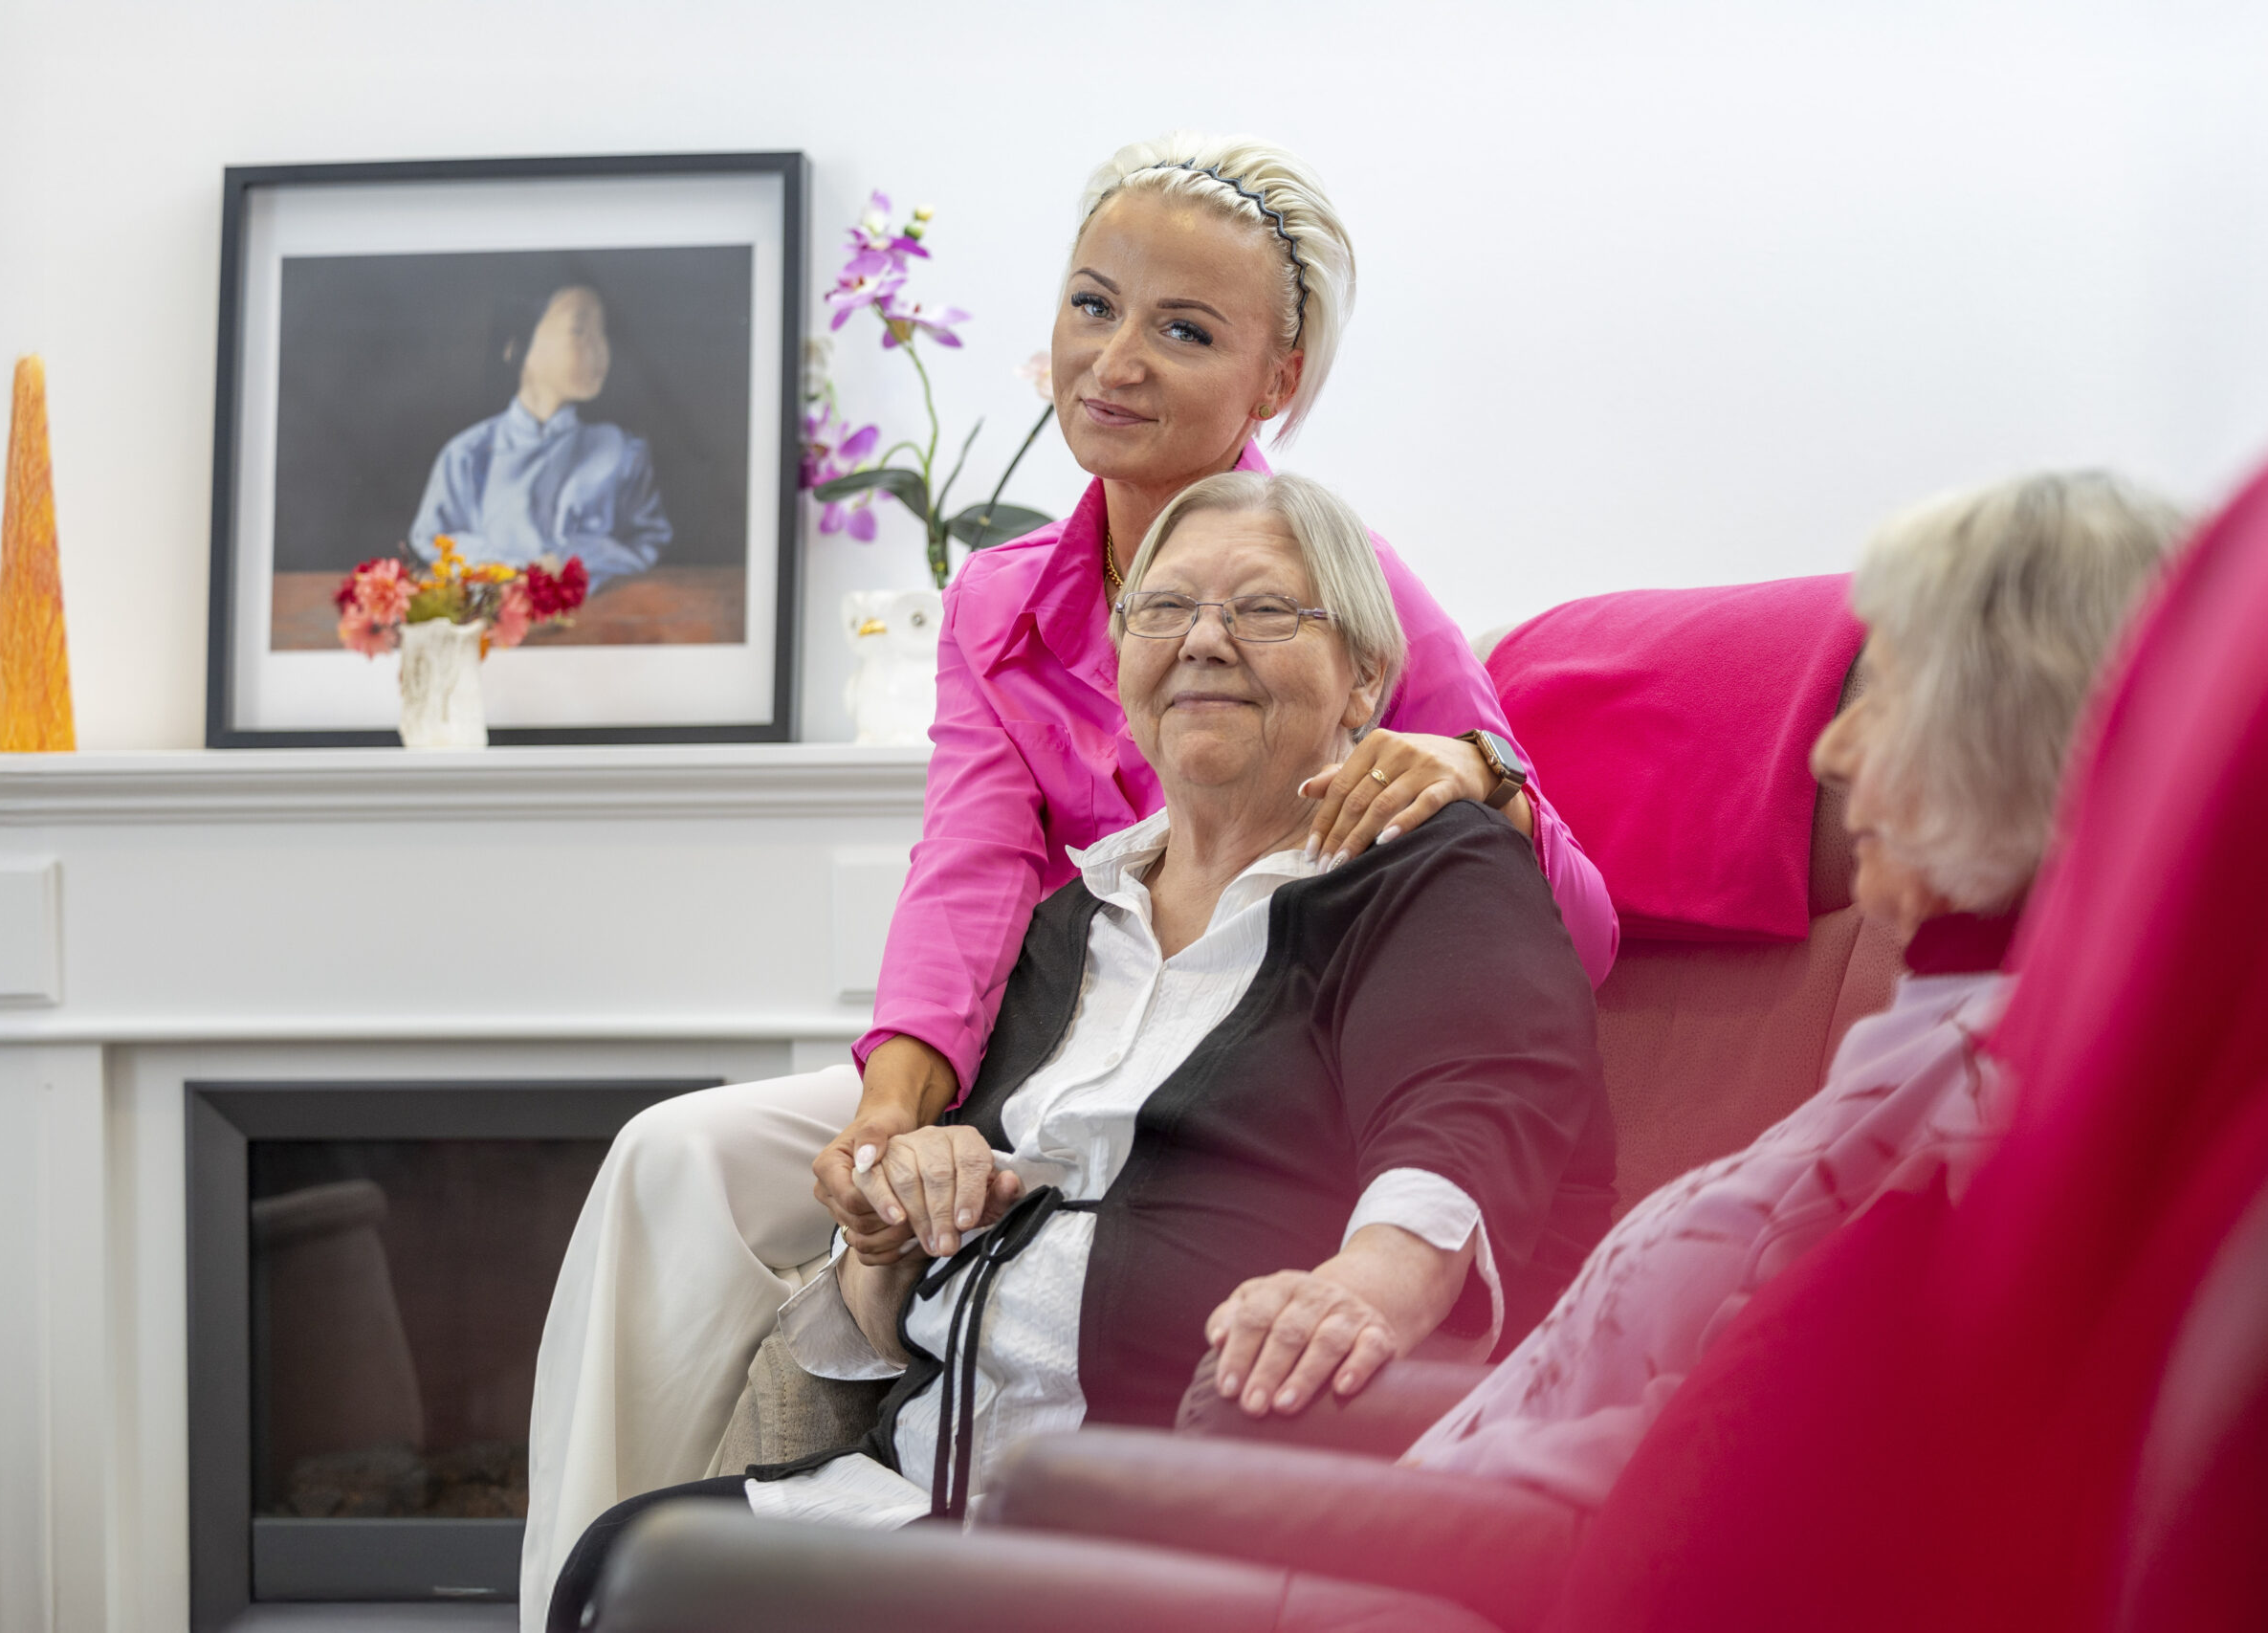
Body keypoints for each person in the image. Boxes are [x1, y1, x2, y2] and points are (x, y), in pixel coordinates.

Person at [517, 133, 1618, 1630]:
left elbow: (1539, 927)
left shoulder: (1334, 569)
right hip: (1069, 1031)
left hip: (1255, 1049)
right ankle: (603, 1579)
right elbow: (971, 865)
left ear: (1274, 380)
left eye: (1185, 329)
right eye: (1093, 306)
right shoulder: (1002, 596)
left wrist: (1480, 773)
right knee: (679, 1158)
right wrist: (896, 1116)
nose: (1118, 358)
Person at [1399, 471, 2181, 1517]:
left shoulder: (1983, 1118)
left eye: (1884, 697)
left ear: (2014, 730)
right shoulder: (1940, 1039)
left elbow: (1685, 1504)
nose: (1827, 751)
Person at [410, 283, 672, 588]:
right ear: (518, 348)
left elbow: (647, 541)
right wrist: (511, 566)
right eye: (579, 330)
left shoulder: (622, 451)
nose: (599, 347)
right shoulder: (469, 452)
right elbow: (432, 539)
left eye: (602, 332)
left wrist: (573, 558)